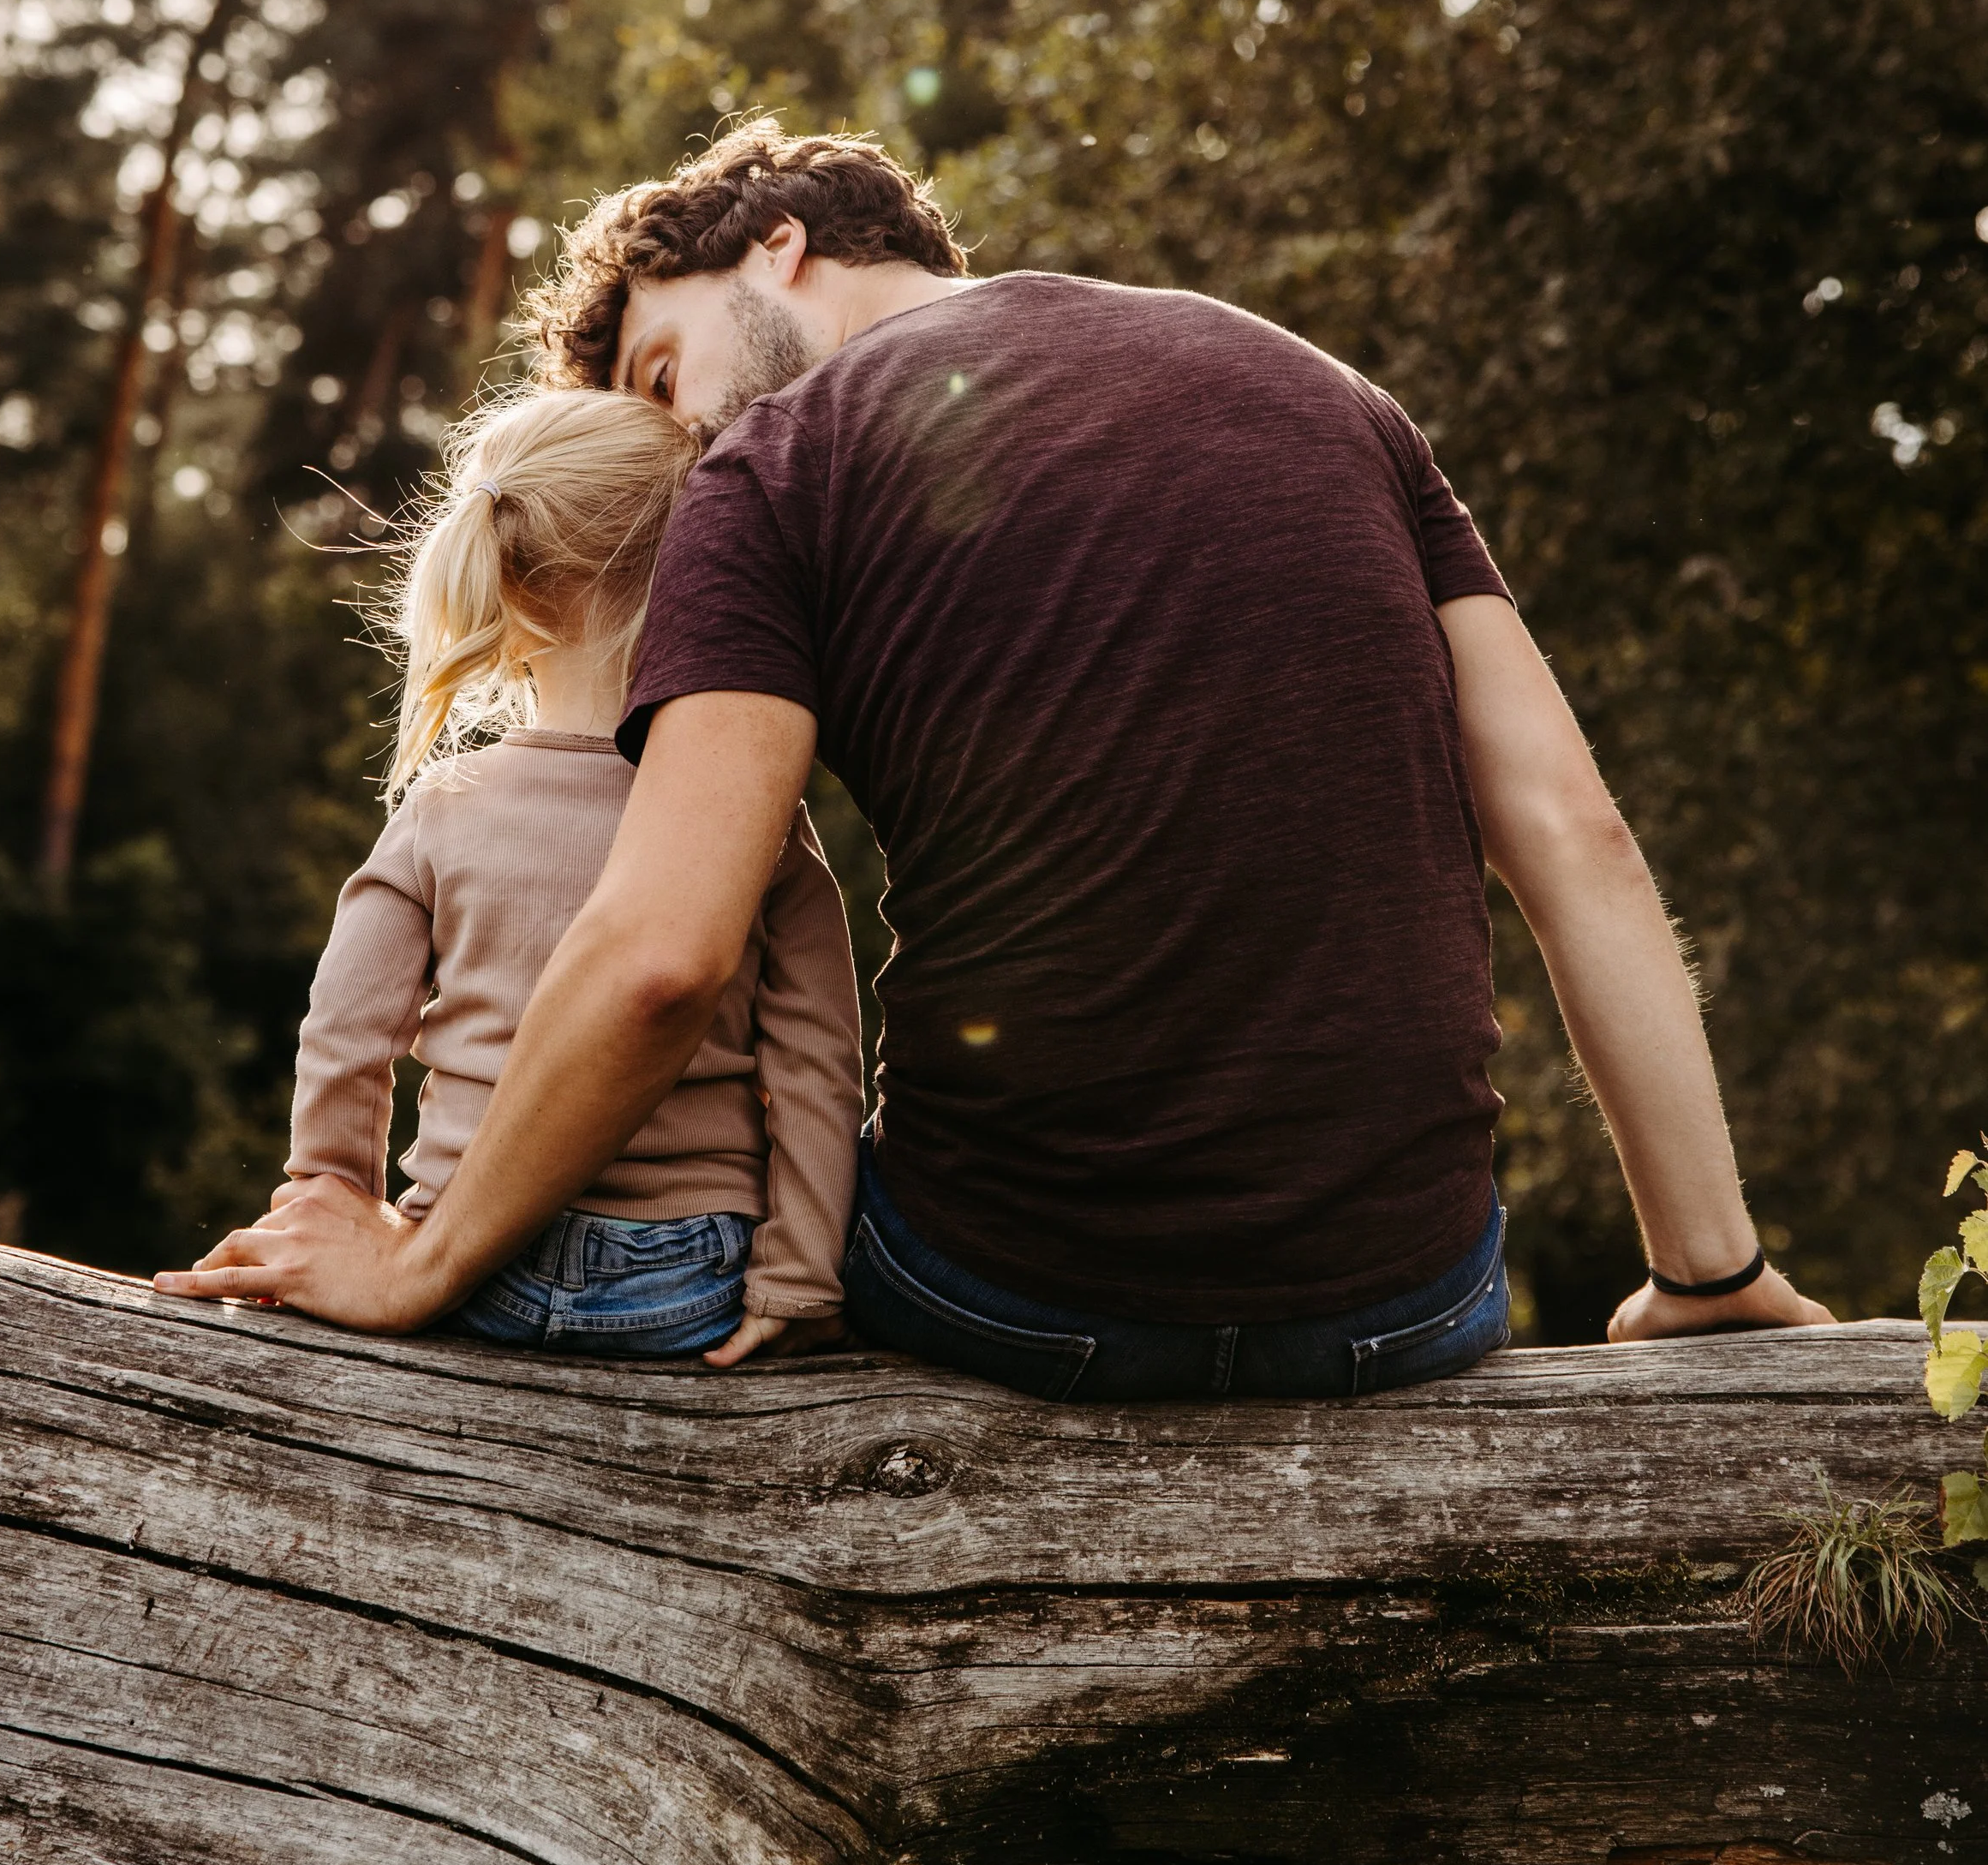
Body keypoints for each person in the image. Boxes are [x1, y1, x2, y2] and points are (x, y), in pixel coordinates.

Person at [159, 121, 1832, 1374]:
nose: (674, 439)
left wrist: (421, 1253)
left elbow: (664, 952)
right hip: (1409, 1299)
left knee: (706, 1237)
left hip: (1017, 1296)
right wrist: (1702, 1269)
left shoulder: (771, 470)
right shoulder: (1324, 392)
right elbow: (1569, 833)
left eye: (661, 367)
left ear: (778, 244)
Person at [225, 381, 863, 1367]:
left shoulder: (445, 806)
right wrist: (799, 1273)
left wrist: (333, 1205)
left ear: (507, 580)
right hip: (686, 1280)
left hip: (471, 1268)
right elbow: (817, 1061)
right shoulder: (755, 816)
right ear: (708, 578)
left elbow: (346, 1031)